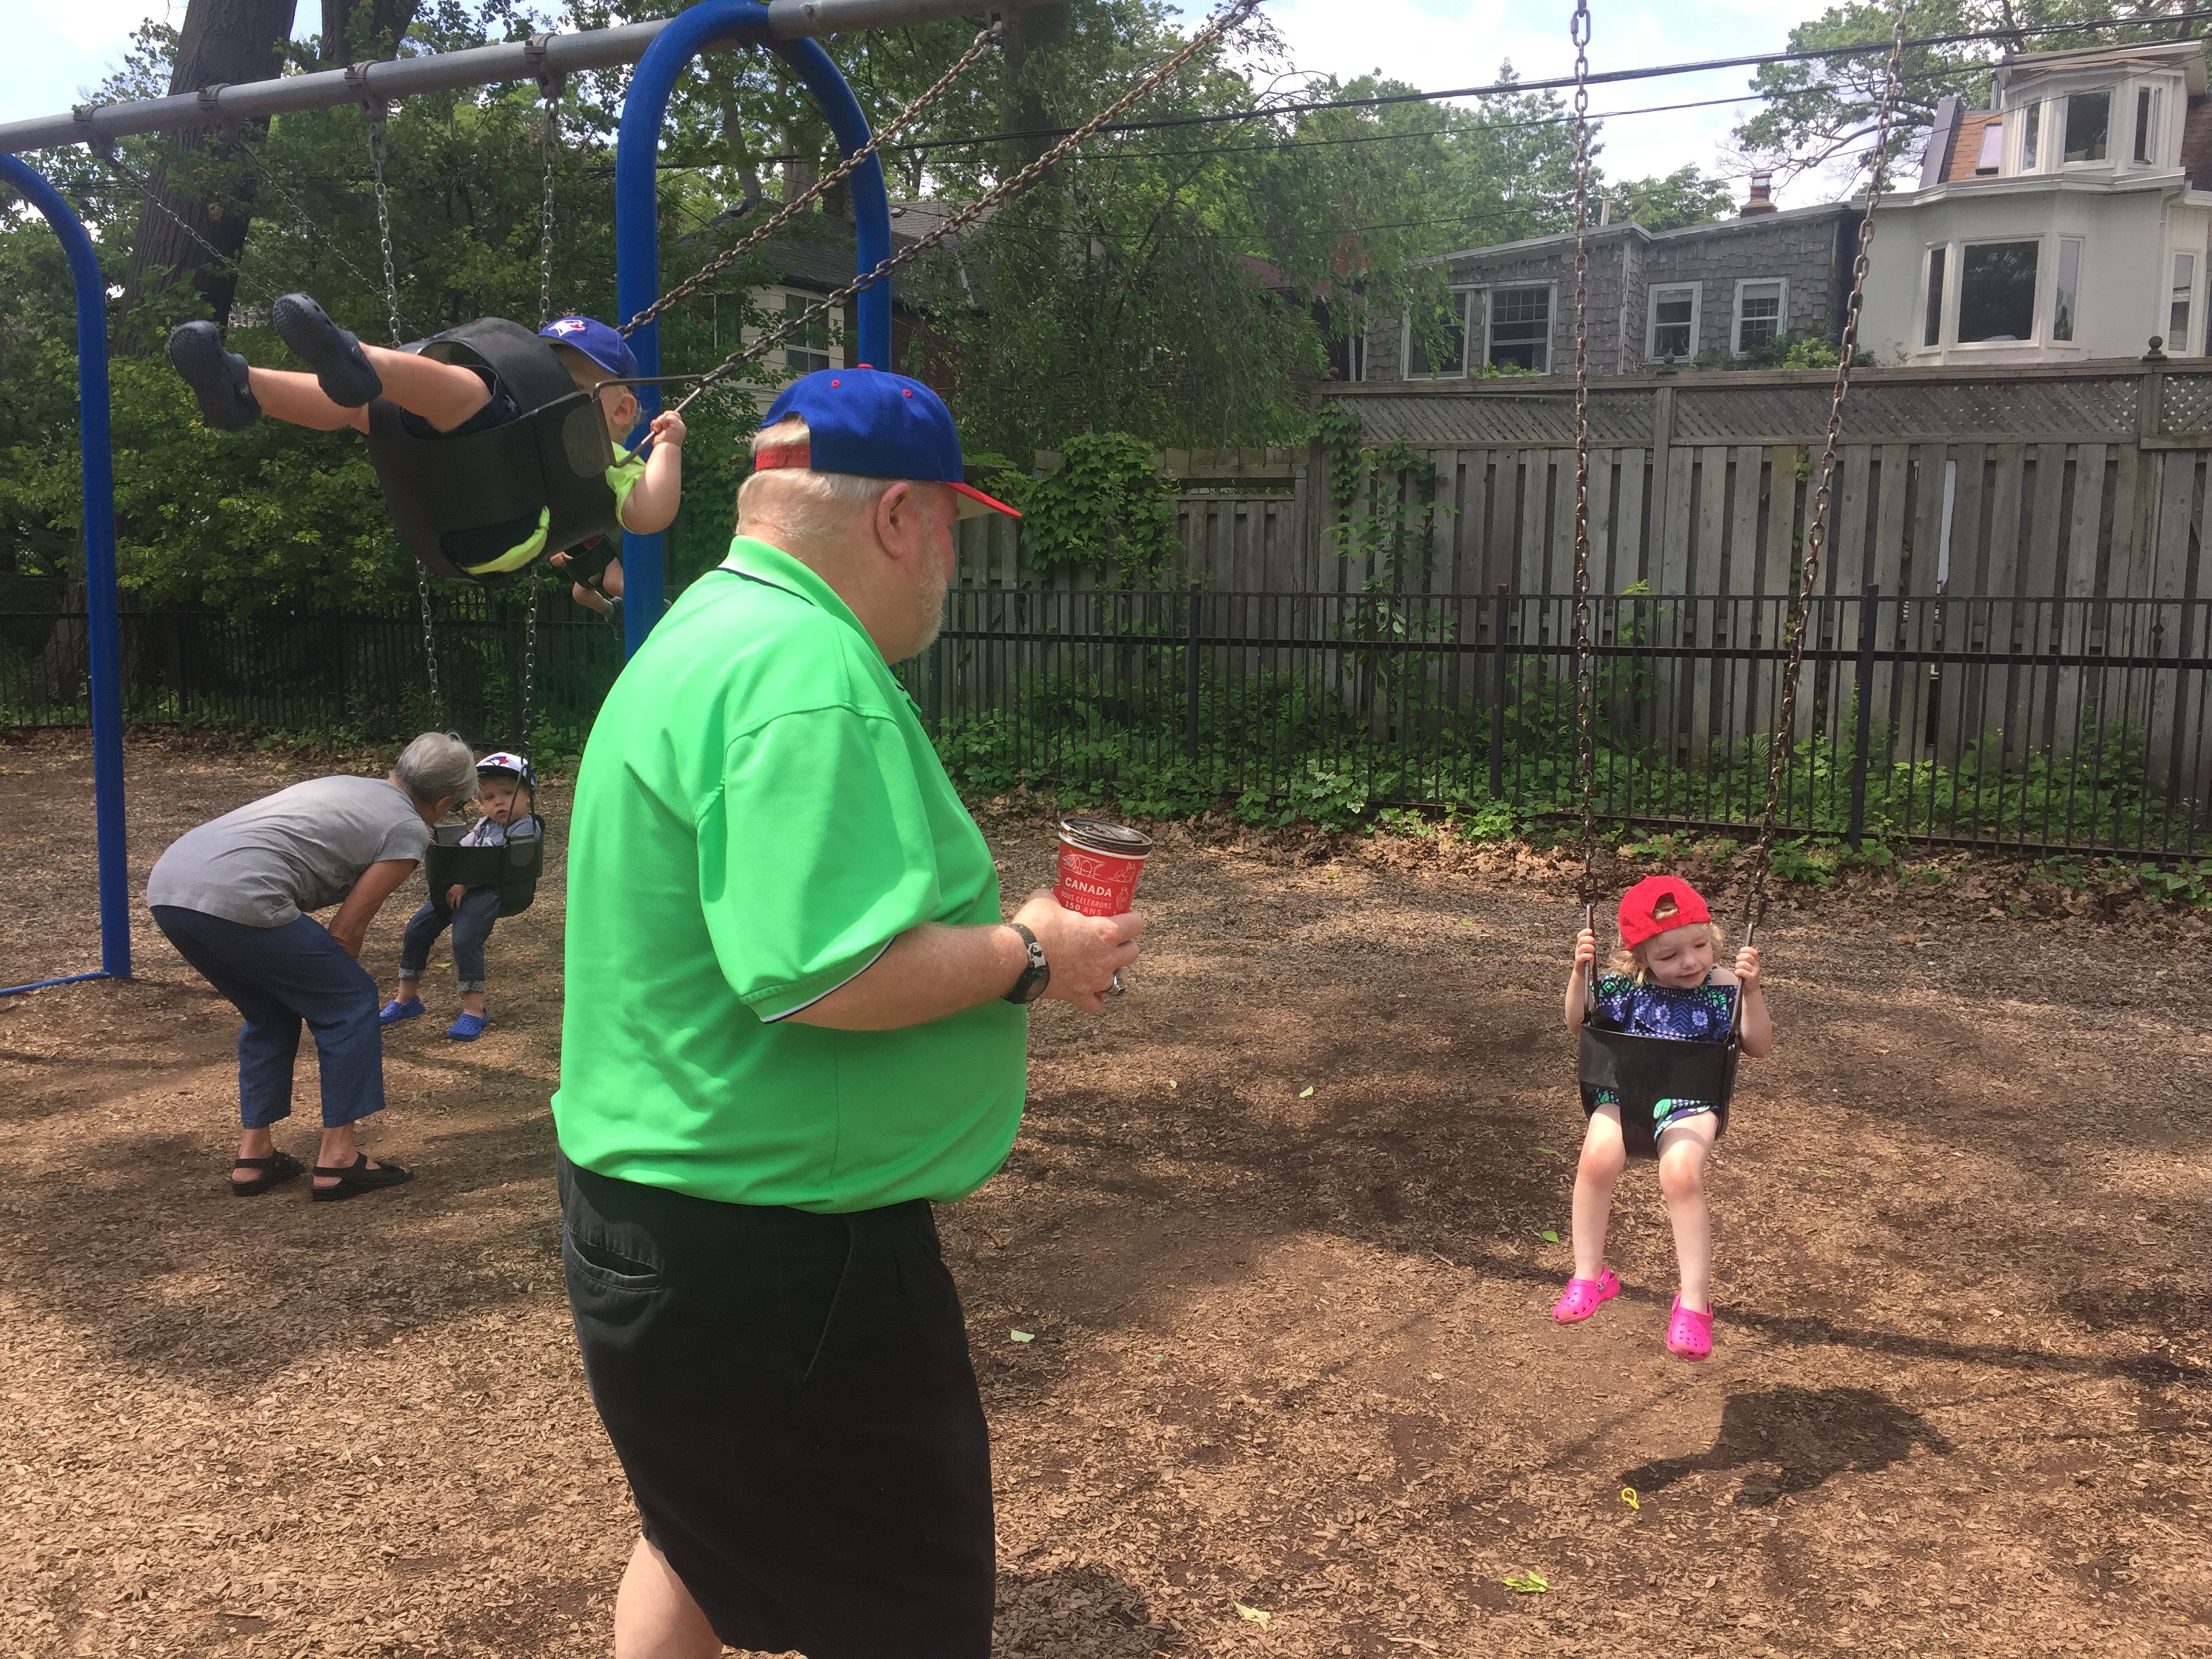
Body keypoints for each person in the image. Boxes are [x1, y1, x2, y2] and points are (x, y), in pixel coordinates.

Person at [552, 365, 1144, 1659]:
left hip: (652, 1206)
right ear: (893, 517)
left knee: (694, 1532)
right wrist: (1030, 954)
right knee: (904, 1613)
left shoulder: (701, 630)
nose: (950, 563)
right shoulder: (801, 668)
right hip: (778, 1251)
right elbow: (823, 972)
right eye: (950, 527)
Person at [145, 732, 480, 1200]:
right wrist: (335, 993)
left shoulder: (347, 785)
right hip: (241, 893)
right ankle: (338, 1159)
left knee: (270, 1009)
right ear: (443, 802)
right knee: (351, 1002)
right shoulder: (407, 829)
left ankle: (255, 1156)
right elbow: (346, 930)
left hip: (170, 888)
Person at [167, 297, 684, 579]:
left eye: (566, 385)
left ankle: (358, 359)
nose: (546, 390)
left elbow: (651, 515)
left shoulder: (619, 463)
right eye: (543, 374)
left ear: (622, 408)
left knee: (472, 392)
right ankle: (244, 388)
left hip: (509, 523)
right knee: (368, 410)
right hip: (453, 512)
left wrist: (668, 447)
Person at [1555, 874, 1774, 1359]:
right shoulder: (1624, 987)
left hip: (1691, 1101)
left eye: (1700, 946)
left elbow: (1759, 1045)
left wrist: (1752, 992)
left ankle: (1693, 1304)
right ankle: (1590, 1276)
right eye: (1670, 955)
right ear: (1640, 958)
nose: (1690, 962)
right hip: (1626, 1092)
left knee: (1680, 1173)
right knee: (1595, 1160)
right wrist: (1579, 973)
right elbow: (1577, 1024)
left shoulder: (1726, 987)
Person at [381, 751, 539, 1042]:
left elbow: (493, 862)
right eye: (489, 797)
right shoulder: (485, 824)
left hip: (498, 889)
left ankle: (474, 1010)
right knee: (417, 930)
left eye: (508, 793)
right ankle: (406, 999)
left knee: (465, 939)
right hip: (463, 887)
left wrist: (462, 883)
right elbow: (465, 848)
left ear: (528, 795)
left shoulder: (526, 826)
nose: (499, 802)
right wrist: (441, 849)